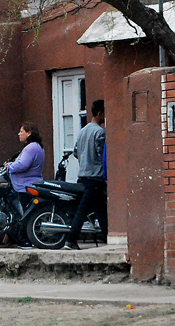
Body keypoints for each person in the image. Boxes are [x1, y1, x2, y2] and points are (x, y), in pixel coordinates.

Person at [65, 99, 107, 250]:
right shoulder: (100, 132)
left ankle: (107, 235)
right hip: (95, 177)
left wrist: (85, 160)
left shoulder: (83, 131)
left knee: (100, 209)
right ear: (99, 113)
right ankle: (71, 239)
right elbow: (101, 155)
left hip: (83, 175)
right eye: (104, 114)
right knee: (83, 210)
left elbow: (76, 152)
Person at [6, 122, 45, 248]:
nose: (19, 134)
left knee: (25, 214)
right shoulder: (37, 147)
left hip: (25, 185)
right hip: (30, 183)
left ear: (29, 133)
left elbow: (22, 165)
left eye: (21, 131)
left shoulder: (31, 148)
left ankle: (26, 240)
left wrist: (10, 166)